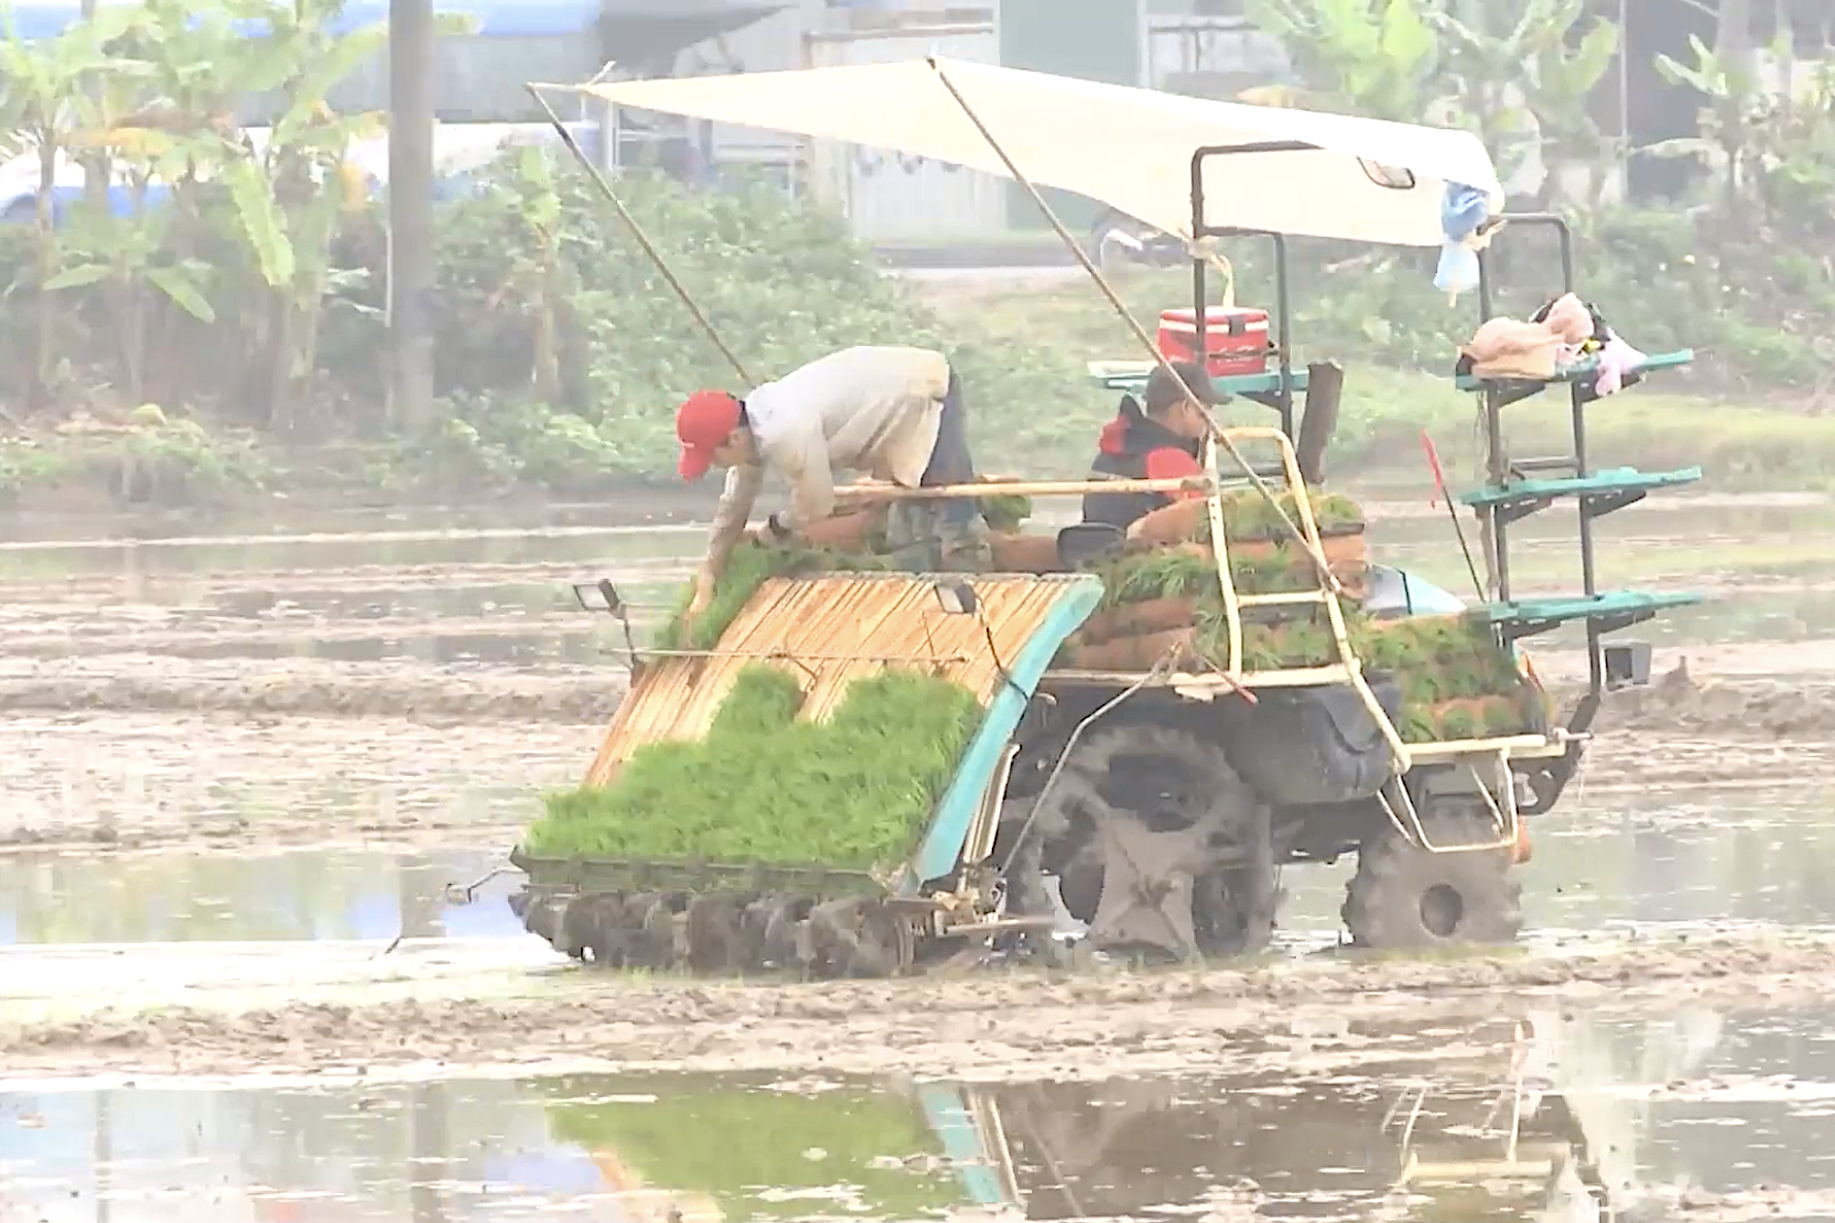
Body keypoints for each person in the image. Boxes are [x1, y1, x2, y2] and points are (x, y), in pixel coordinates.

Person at [673, 345, 984, 631]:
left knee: (951, 510)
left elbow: (817, 503)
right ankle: (928, 620)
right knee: (907, 533)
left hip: (923, 389)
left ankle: (978, 610)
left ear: (733, 439)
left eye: (713, 457)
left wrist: (774, 530)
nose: (715, 465)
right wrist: (709, 574)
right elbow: (733, 506)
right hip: (887, 412)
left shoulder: (785, 431)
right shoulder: (753, 430)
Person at [1081, 359, 1218, 531]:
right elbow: (1206, 523)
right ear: (1186, 407)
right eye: (1206, 409)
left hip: (1095, 545)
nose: (1210, 419)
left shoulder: (1110, 451)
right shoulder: (1170, 461)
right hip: (1141, 547)